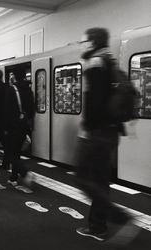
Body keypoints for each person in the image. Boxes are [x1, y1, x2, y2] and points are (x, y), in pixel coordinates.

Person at [75, 27, 139, 244]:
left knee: (83, 178)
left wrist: (86, 129)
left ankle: (123, 220)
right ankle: (98, 227)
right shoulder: (109, 60)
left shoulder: (94, 63)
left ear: (92, 42)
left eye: (83, 41)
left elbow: (95, 103)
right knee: (100, 181)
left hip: (96, 133)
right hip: (111, 132)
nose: (81, 44)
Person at [4, 68, 35, 187]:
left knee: (10, 153)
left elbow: (6, 111)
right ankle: (13, 178)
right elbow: (32, 111)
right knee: (17, 153)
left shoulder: (11, 90)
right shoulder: (29, 90)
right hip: (24, 126)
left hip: (13, 126)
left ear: (14, 77)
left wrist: (6, 127)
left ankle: (25, 172)